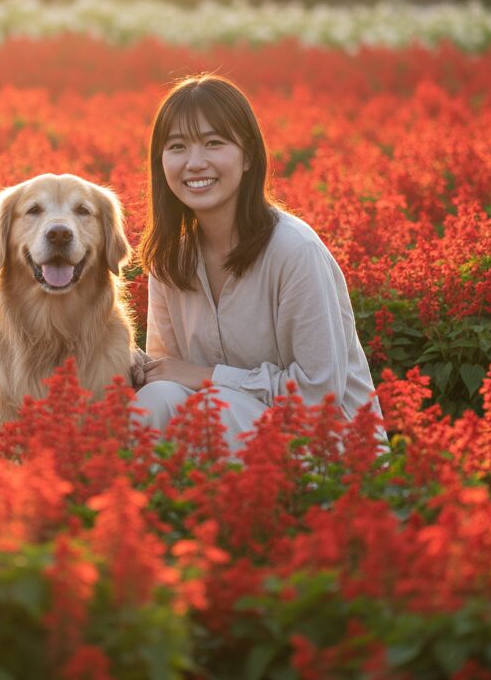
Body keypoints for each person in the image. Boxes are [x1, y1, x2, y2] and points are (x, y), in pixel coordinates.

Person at [133, 74, 384, 454]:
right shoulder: (171, 259)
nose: (194, 163)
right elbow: (166, 376)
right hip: (224, 436)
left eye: (213, 143)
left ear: (248, 155)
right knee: (154, 401)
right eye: (177, 146)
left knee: (207, 410)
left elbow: (319, 396)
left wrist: (207, 378)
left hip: (328, 451)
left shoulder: (294, 251)